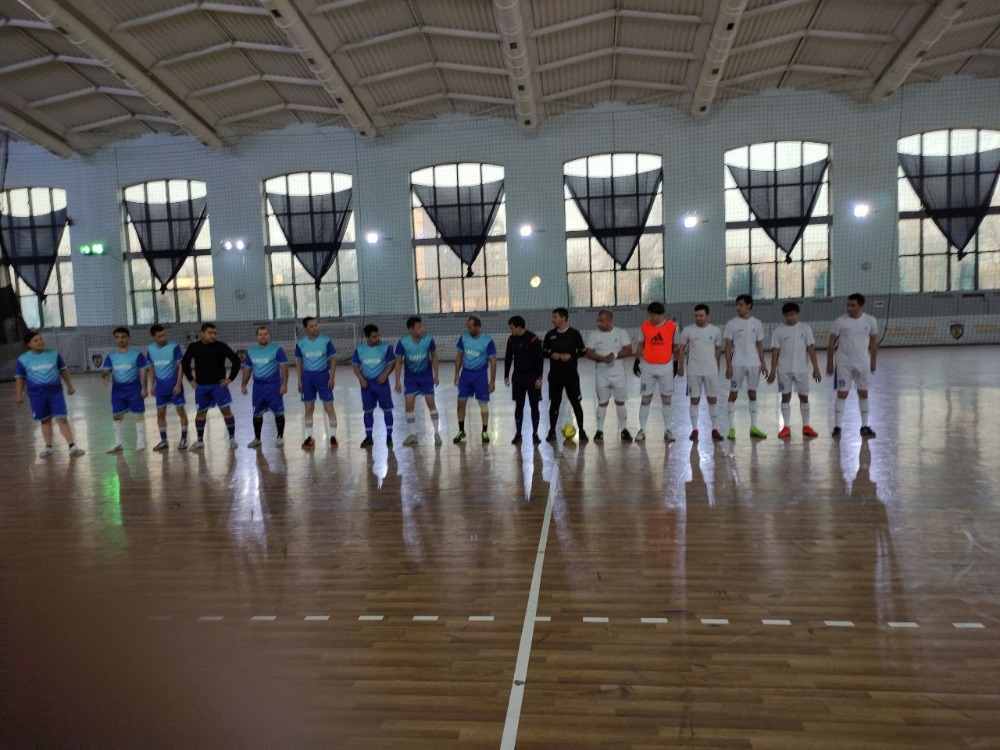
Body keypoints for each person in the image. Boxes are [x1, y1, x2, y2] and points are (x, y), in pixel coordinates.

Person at [14, 330, 85, 458]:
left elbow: (63, 371)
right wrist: (19, 394)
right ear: (29, 344)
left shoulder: (54, 354)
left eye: (41, 339)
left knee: (62, 418)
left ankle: (72, 446)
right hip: (37, 395)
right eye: (36, 340)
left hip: (55, 393)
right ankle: (48, 447)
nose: (40, 342)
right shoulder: (22, 359)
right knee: (45, 420)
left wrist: (70, 386)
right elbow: (20, 378)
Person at [181, 322, 241, 450]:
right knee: (201, 413)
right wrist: (191, 379)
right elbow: (184, 363)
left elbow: (236, 361)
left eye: (215, 333)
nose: (213, 335)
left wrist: (230, 378)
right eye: (210, 333)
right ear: (202, 333)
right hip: (201, 387)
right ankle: (200, 441)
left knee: (226, 411)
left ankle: (232, 439)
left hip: (219, 386)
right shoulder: (194, 347)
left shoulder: (221, 346)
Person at [826, 293, 879, 439]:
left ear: (861, 306)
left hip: (863, 363)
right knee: (842, 393)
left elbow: (874, 342)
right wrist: (830, 362)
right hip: (844, 364)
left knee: (863, 393)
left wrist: (873, 361)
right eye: (848, 305)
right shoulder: (840, 321)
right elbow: (831, 342)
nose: (849, 308)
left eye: (853, 305)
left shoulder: (870, 321)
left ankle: (865, 426)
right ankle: (837, 427)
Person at [767, 302, 821, 439]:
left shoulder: (805, 329)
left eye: (792, 314)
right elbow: (775, 352)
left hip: (801, 370)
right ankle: (786, 427)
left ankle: (806, 426)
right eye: (787, 315)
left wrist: (816, 368)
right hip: (784, 371)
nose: (790, 317)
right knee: (785, 396)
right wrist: (773, 371)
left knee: (804, 397)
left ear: (797, 314)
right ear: (783, 316)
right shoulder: (778, 331)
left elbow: (811, 349)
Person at [724, 294, 768, 439]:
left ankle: (753, 427)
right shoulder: (731, 324)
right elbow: (728, 346)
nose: (738, 307)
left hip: (754, 364)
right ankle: (731, 428)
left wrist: (763, 363)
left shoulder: (757, 323)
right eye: (737, 304)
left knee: (753, 394)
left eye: (741, 304)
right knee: (733, 394)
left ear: (749, 305)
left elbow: (760, 345)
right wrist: (728, 365)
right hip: (737, 364)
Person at [633, 301, 679, 442]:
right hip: (648, 367)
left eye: (653, 315)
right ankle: (642, 430)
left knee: (667, 399)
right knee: (645, 399)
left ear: (661, 314)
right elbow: (640, 344)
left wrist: (676, 363)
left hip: (666, 367)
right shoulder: (644, 326)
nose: (651, 318)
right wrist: (637, 361)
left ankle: (668, 430)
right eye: (649, 315)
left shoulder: (672, 327)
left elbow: (676, 347)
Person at [584, 309, 633, 442]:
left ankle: (624, 430)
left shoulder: (621, 332)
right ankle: (599, 431)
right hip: (601, 375)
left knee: (620, 402)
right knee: (602, 403)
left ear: (610, 321)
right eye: (598, 321)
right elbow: (589, 352)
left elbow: (628, 350)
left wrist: (614, 355)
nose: (599, 323)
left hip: (619, 375)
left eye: (602, 321)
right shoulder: (593, 335)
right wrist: (603, 358)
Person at [677, 304, 724, 442]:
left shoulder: (716, 331)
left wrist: (717, 366)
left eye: (701, 316)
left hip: (710, 371)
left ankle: (715, 429)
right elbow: (681, 349)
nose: (698, 318)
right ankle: (694, 429)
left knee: (712, 399)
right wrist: (681, 366)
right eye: (696, 316)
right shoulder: (687, 330)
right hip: (693, 371)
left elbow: (718, 350)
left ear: (707, 316)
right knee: (694, 400)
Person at [393, 316, 441, 447]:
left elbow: (434, 357)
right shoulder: (403, 342)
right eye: (419, 327)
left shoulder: (428, 340)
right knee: (409, 405)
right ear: (411, 329)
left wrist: (436, 375)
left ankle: (437, 434)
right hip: (411, 378)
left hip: (426, 377)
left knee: (431, 403)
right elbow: (398, 362)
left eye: (422, 326)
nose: (422, 329)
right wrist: (397, 381)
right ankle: (412, 435)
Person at [542, 307, 588, 442]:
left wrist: (571, 356)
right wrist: (551, 354)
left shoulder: (574, 334)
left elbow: (583, 351)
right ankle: (552, 431)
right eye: (553, 317)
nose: (553, 320)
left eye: (555, 317)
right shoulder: (550, 335)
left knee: (576, 403)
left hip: (571, 375)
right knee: (554, 403)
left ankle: (582, 431)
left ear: (563, 318)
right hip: (555, 375)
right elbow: (543, 352)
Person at [241, 326, 289, 449]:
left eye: (265, 334)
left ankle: (280, 437)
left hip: (273, 386)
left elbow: (284, 368)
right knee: (256, 413)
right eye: (260, 334)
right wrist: (243, 384)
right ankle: (257, 439)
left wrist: (284, 384)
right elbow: (247, 369)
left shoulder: (277, 350)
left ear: (269, 335)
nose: (263, 336)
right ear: (256, 336)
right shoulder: (251, 351)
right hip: (258, 388)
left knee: (278, 412)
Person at [102, 327, 149, 453]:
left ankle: (140, 441)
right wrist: (105, 375)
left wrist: (145, 388)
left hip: (134, 389)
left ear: (128, 338)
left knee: (138, 415)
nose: (120, 340)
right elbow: (106, 370)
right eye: (117, 337)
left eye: (123, 337)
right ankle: (118, 442)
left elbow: (143, 371)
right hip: (118, 391)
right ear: (114, 339)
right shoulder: (111, 356)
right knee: (117, 415)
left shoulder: (137, 354)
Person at [295, 317, 338, 450]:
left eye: (316, 325)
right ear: (305, 328)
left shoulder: (326, 340)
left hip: (323, 376)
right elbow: (299, 362)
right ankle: (309, 437)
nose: (315, 328)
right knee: (308, 408)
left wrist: (332, 377)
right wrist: (299, 380)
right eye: (312, 326)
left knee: (329, 407)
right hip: (307, 378)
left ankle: (333, 436)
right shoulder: (301, 343)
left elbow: (333, 359)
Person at [453, 315, 497, 444]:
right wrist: (456, 374)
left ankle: (484, 431)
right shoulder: (464, 338)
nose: (468, 329)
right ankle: (461, 431)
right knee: (460, 403)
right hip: (466, 375)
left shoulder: (488, 340)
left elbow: (493, 361)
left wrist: (492, 381)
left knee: (483, 404)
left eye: (470, 327)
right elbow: (459, 356)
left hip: (480, 376)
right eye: (467, 327)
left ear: (477, 327)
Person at [352, 324, 397, 448]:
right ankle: (368, 437)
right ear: (367, 337)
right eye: (374, 336)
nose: (377, 338)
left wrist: (385, 375)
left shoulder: (386, 347)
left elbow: (391, 363)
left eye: (378, 336)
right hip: (366, 385)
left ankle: (389, 436)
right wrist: (360, 378)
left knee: (387, 410)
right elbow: (355, 365)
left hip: (382, 384)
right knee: (368, 412)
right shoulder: (359, 349)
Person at [147, 324, 189, 451]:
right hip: (160, 387)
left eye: (164, 335)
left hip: (174, 386)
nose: (163, 338)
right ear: (153, 337)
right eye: (159, 336)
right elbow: (151, 367)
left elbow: (181, 366)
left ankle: (184, 439)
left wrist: (178, 384)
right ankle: (164, 441)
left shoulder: (174, 347)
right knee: (160, 413)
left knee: (180, 411)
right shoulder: (150, 349)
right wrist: (152, 385)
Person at [504, 315, 544, 445]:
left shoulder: (533, 339)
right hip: (518, 377)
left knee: (534, 406)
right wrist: (506, 375)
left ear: (518, 327)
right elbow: (508, 357)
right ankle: (518, 434)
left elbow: (540, 360)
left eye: (511, 328)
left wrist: (539, 378)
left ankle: (535, 434)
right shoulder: (511, 339)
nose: (510, 330)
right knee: (519, 406)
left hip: (532, 377)